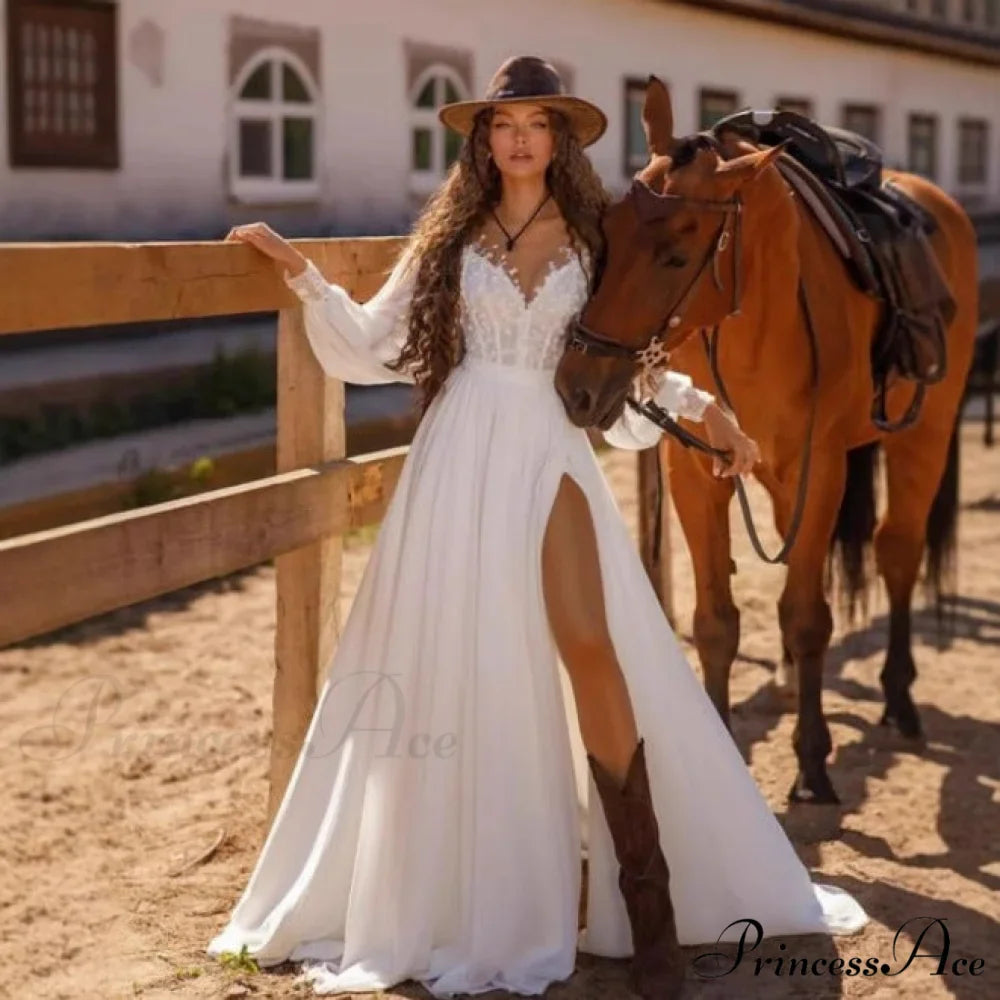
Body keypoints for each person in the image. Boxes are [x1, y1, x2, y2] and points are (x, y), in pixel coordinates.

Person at [207, 55, 867, 999]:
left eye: (536, 124)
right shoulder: (453, 236)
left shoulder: (598, 235)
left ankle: (649, 903)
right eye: (503, 125)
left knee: (590, 645)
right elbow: (380, 342)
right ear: (485, 140)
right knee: (461, 659)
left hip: (551, 449)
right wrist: (303, 274)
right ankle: (469, 889)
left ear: (560, 138)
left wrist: (706, 407)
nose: (519, 140)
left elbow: (628, 352)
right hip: (459, 455)